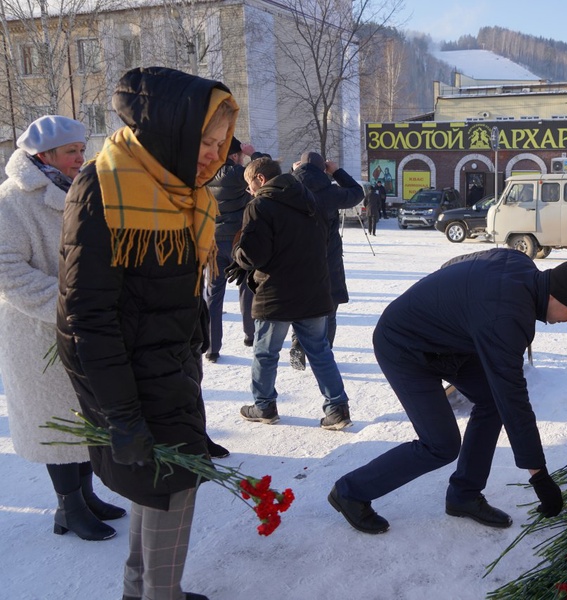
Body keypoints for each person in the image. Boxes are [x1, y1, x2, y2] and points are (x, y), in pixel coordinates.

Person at [57, 66, 238, 600]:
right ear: (173, 130)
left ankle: (143, 591)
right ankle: (163, 595)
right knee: (171, 490)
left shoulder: (181, 189)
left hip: (170, 372)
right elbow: (84, 320)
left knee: (160, 488)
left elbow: (167, 288)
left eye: (220, 142)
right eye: (204, 140)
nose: (213, 154)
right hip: (132, 384)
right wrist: (121, 415)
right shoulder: (104, 187)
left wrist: (195, 330)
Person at [328, 248, 567, 534]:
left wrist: (452, 305)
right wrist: (540, 477)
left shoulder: (520, 263)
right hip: (403, 345)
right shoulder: (506, 318)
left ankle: (464, 495)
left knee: (491, 402)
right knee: (440, 444)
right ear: (555, 296)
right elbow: (514, 399)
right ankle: (350, 491)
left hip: (449, 342)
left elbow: (457, 263)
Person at [0, 115, 124, 542]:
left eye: (80, 148)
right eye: (72, 151)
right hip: (40, 334)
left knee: (84, 414)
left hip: (81, 327)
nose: (81, 157)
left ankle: (85, 496)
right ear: (44, 155)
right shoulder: (12, 201)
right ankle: (68, 507)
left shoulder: (78, 191)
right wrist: (71, 302)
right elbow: (7, 271)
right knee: (56, 422)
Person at [229, 157, 353, 430]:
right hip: (315, 288)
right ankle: (337, 409)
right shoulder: (311, 198)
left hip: (277, 293)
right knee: (320, 352)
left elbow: (253, 255)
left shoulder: (260, 205)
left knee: (265, 353)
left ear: (260, 179)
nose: (249, 191)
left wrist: (237, 252)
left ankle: (264, 406)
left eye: (249, 184)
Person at [287, 151, 364, 371]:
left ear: (299, 167)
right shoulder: (331, 192)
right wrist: (337, 171)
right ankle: (324, 352)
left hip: (297, 260)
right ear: (324, 169)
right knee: (329, 307)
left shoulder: (290, 189)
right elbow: (357, 193)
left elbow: (269, 190)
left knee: (301, 306)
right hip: (327, 259)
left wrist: (293, 173)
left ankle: (297, 343)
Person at [205, 135, 255, 360]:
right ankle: (249, 333)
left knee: (214, 295)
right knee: (246, 286)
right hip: (237, 241)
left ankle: (212, 347)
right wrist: (252, 153)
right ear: (234, 155)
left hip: (213, 242)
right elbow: (264, 169)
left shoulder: (206, 173)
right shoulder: (236, 173)